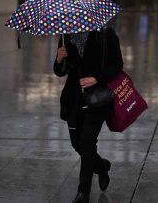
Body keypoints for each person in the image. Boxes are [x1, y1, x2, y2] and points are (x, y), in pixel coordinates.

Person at [54, 28, 123, 203]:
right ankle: (101, 166)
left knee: (87, 141)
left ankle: (83, 192)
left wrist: (96, 78)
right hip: (74, 99)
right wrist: (59, 59)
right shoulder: (66, 35)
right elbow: (60, 71)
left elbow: (117, 65)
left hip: (97, 98)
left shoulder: (106, 35)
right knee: (77, 144)